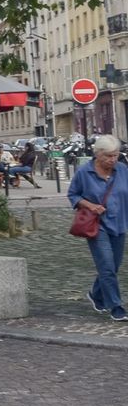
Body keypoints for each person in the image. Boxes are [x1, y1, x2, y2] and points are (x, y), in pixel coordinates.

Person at [69, 134, 128, 321]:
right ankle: (116, 307)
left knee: (113, 266)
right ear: (98, 154)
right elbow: (73, 195)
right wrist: (90, 205)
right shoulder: (84, 172)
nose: (113, 159)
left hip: (119, 223)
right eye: (108, 156)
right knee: (107, 267)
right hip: (97, 225)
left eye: (115, 155)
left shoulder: (123, 170)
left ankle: (95, 294)